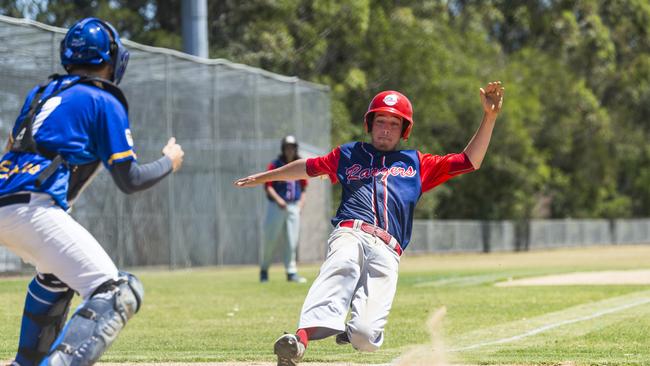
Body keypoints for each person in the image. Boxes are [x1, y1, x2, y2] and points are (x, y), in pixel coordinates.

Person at [235, 82, 504, 366]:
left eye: (393, 123)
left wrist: (489, 117)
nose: (385, 128)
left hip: (388, 249)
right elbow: (308, 166)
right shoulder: (349, 154)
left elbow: (469, 161)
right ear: (369, 124)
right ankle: (298, 342)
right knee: (343, 263)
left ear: (404, 130)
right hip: (350, 231)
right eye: (380, 121)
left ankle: (352, 333)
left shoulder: (416, 163)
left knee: (365, 337)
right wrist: (265, 177)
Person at [0, 18, 184, 366]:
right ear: (110, 57)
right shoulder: (103, 98)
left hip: (6, 195)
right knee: (117, 291)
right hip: (31, 207)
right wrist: (168, 161)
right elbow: (129, 179)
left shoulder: (42, 93)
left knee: (56, 275)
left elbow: (13, 145)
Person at [260, 135, 308, 283]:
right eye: (287, 147)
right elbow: (268, 186)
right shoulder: (275, 165)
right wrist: (279, 200)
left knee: (292, 240)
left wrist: (301, 204)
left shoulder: (299, 165)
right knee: (270, 239)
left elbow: (304, 187)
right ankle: (264, 270)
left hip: (293, 206)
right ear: (283, 148)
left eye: (292, 147)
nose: (289, 150)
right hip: (276, 206)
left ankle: (291, 272)